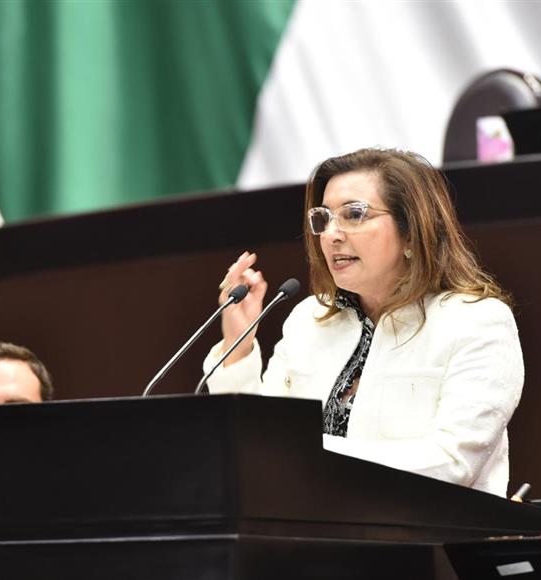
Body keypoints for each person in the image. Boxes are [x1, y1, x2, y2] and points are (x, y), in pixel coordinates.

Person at [203, 148, 523, 497]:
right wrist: (238, 344)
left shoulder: (476, 322)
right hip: (305, 529)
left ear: (411, 232)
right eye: (323, 218)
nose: (331, 234)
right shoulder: (310, 320)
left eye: (354, 214)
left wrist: (306, 453)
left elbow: (451, 463)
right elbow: (254, 446)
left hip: (428, 531)